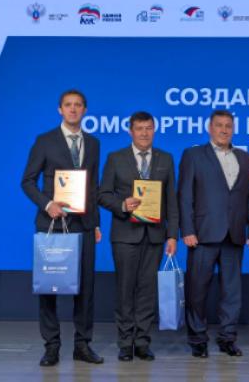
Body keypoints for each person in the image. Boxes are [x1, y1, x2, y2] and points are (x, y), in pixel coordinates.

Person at [21, 89, 104, 366]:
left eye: (78, 105)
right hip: (52, 224)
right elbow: (27, 181)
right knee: (49, 287)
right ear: (60, 109)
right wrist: (47, 204)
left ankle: (82, 345)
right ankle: (52, 346)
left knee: (86, 288)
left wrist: (96, 223)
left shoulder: (93, 143)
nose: (73, 109)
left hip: (84, 225)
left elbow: (93, 187)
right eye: (68, 105)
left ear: (85, 110)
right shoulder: (44, 141)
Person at [178, 109, 249, 358]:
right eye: (219, 125)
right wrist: (187, 230)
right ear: (209, 128)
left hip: (235, 234)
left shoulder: (245, 158)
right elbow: (185, 196)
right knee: (197, 290)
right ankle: (198, 339)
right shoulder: (193, 155)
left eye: (228, 126)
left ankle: (227, 338)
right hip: (202, 235)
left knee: (232, 292)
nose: (224, 130)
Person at [98, 111, 179, 362]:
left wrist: (172, 235)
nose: (145, 133)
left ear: (154, 130)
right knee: (125, 290)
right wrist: (122, 204)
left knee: (147, 290)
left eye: (149, 128)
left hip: (155, 236)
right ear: (130, 131)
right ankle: (125, 343)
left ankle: (142, 342)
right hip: (125, 235)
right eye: (140, 128)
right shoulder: (115, 158)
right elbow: (103, 194)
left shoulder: (166, 159)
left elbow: (171, 200)